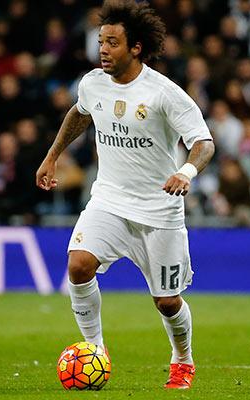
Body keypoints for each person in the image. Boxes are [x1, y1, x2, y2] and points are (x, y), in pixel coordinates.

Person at [35, 0, 214, 390]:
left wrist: (185, 172)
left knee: (167, 302)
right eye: (101, 41)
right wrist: (52, 156)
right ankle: (95, 350)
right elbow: (80, 113)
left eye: (112, 43)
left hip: (159, 209)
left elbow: (203, 142)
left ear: (135, 47)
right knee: (79, 264)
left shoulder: (164, 93)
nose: (103, 49)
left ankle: (182, 360)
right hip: (109, 200)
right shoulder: (92, 83)